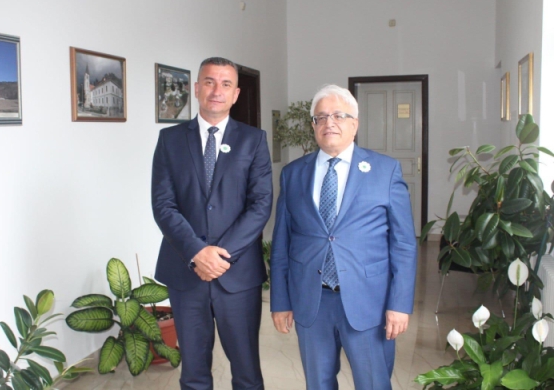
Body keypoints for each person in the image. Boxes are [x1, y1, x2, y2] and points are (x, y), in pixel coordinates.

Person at [270, 84, 417, 390]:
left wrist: (400, 304)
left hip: (369, 302)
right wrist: (280, 301)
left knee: (373, 384)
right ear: (313, 125)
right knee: (318, 384)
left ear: (355, 123)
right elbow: (282, 243)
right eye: (321, 117)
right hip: (312, 301)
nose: (329, 123)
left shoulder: (385, 171)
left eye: (339, 115)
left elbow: (403, 244)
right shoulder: (293, 174)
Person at [152, 57, 272, 390]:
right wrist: (197, 252)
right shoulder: (170, 140)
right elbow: (163, 205)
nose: (216, 90)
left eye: (225, 84)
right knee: (193, 373)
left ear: (236, 94)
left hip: (238, 275)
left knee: (247, 372)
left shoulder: (253, 140)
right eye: (209, 82)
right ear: (196, 88)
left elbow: (260, 205)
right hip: (185, 272)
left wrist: (220, 255)